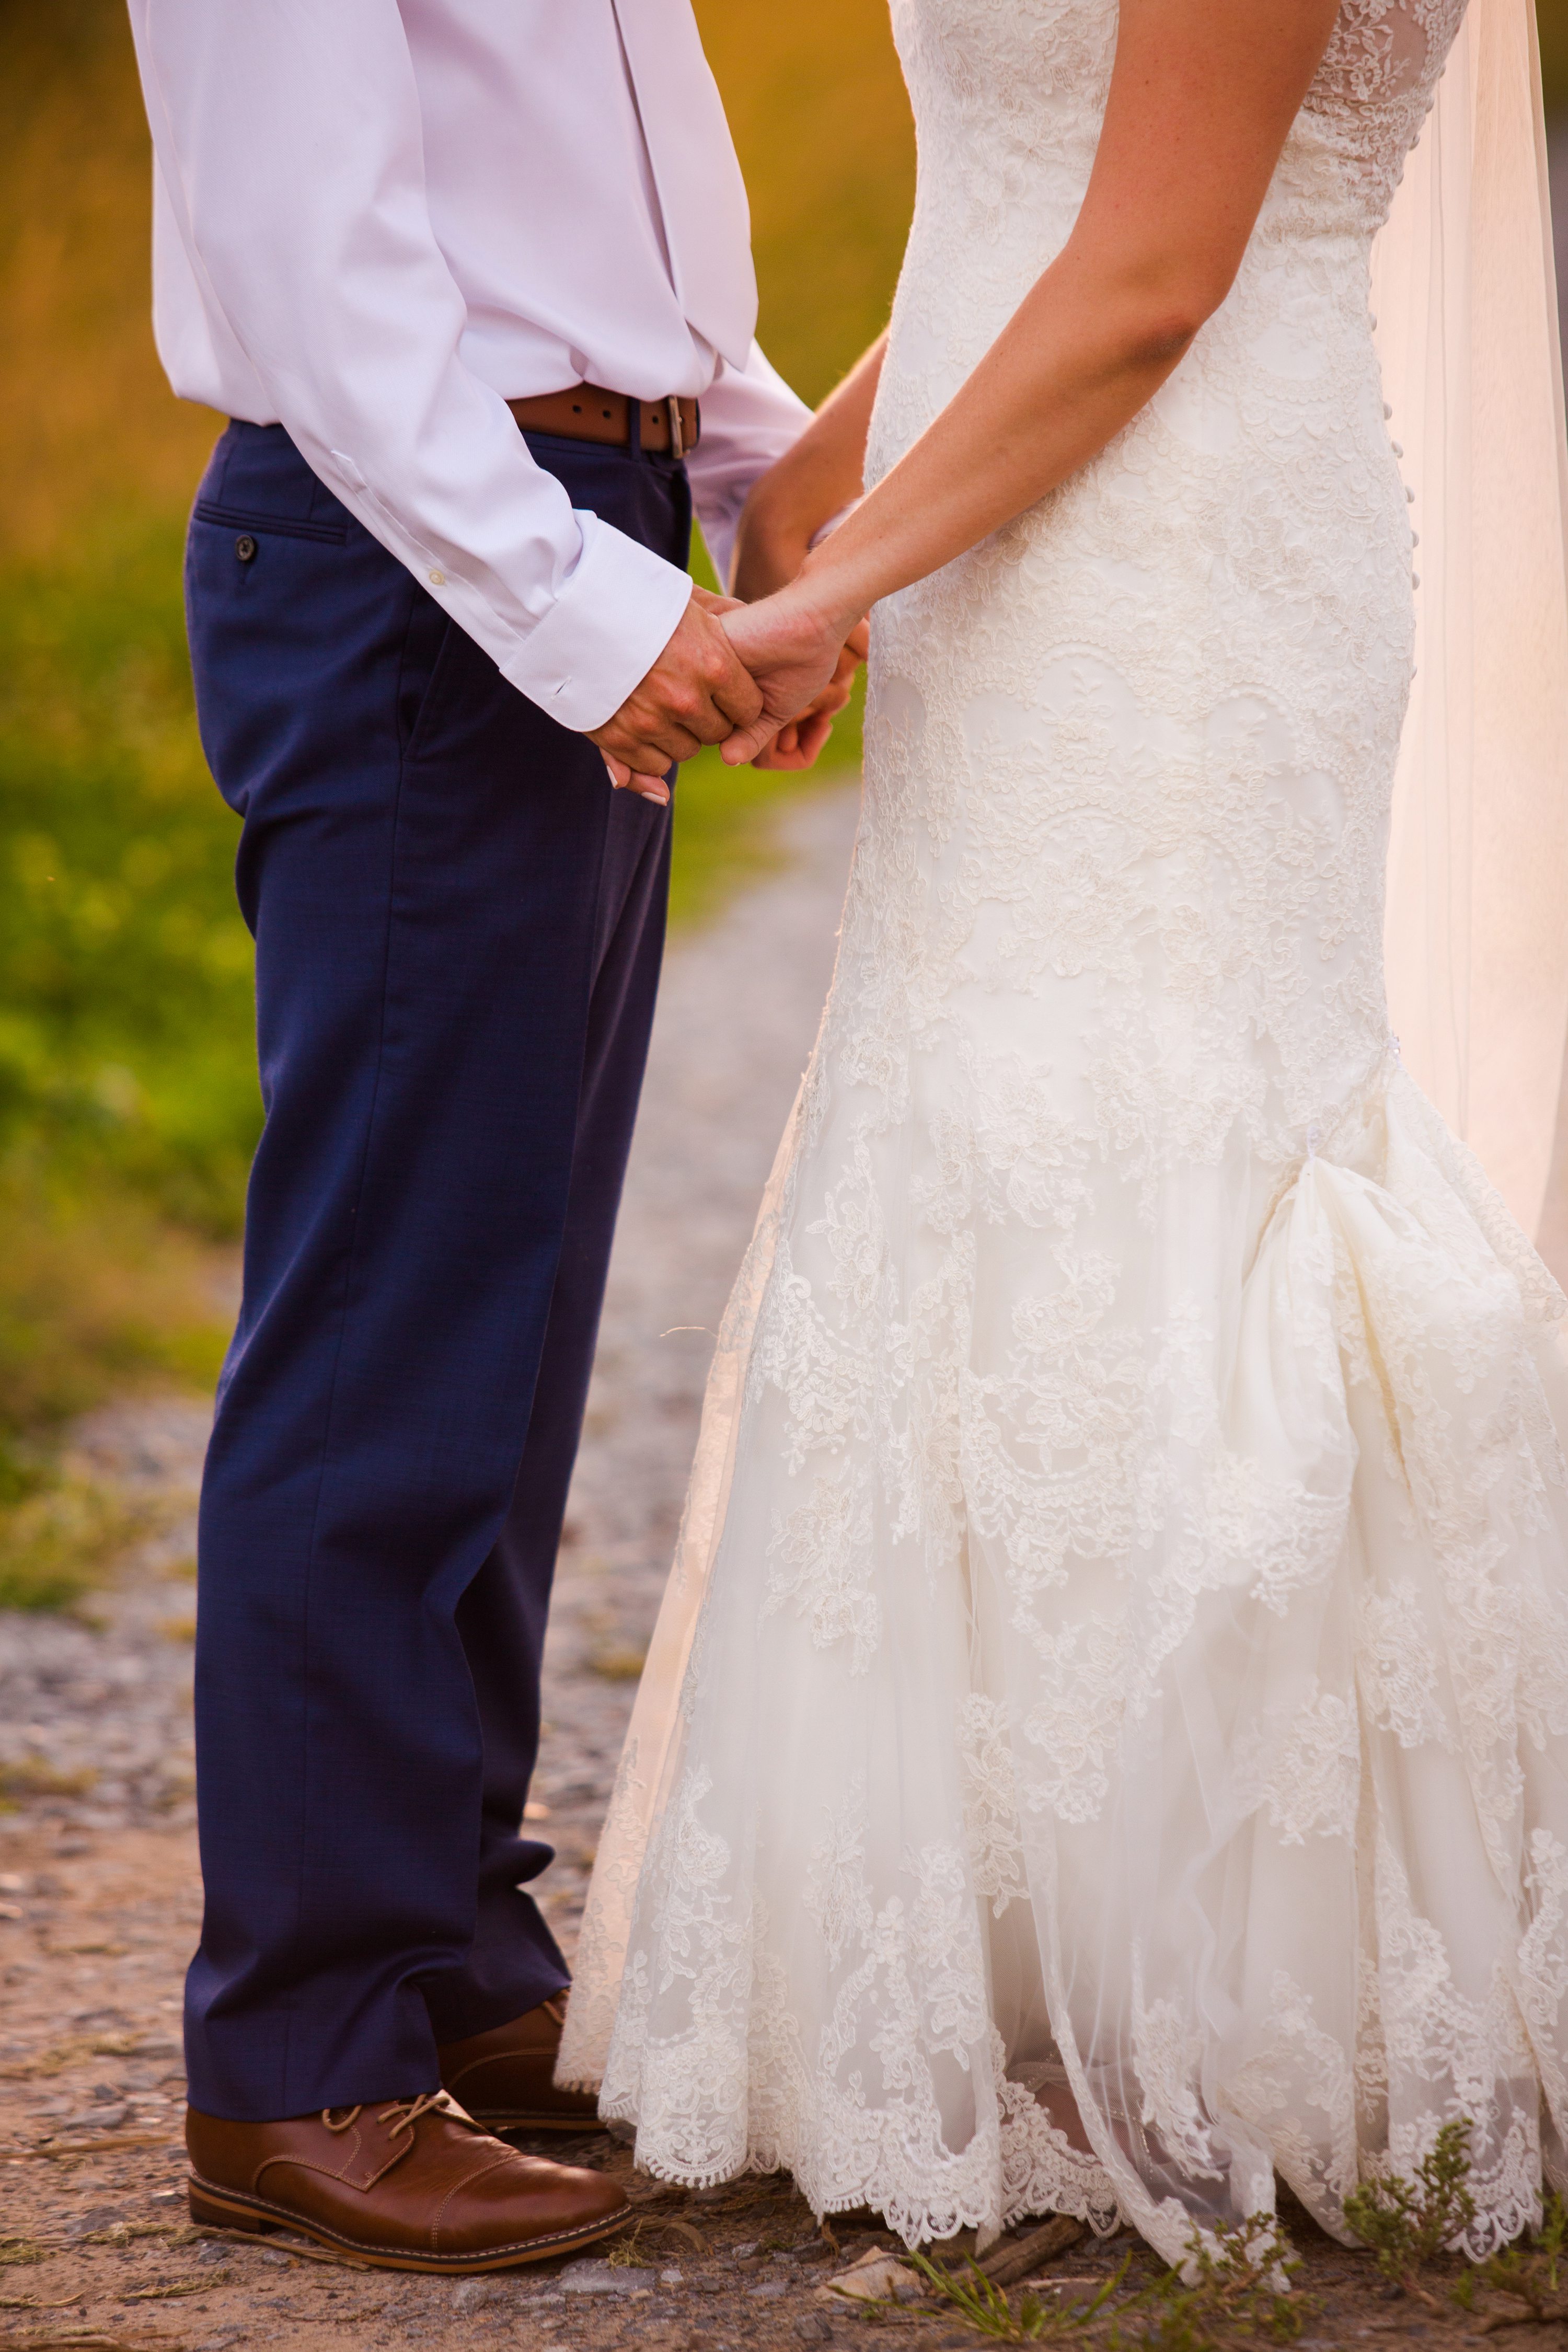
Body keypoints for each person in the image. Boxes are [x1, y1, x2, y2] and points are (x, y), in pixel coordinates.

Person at [564, 0, 1568, 2270]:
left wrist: (830, 585)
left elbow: (1149, 272)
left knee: (1169, 1146)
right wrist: (837, 460)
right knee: (981, 1121)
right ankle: (1001, 1947)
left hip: (1181, 538)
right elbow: (1024, 187)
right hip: (1010, 502)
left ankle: (1251, 1978)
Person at [123, 0, 854, 2276]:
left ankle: (440, 1940)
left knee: (507, 1317)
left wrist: (732, 478)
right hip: (418, 547)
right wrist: (571, 597)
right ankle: (301, 2048)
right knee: (391, 1318)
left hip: (567, 502)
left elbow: (588, 229)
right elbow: (317, 253)